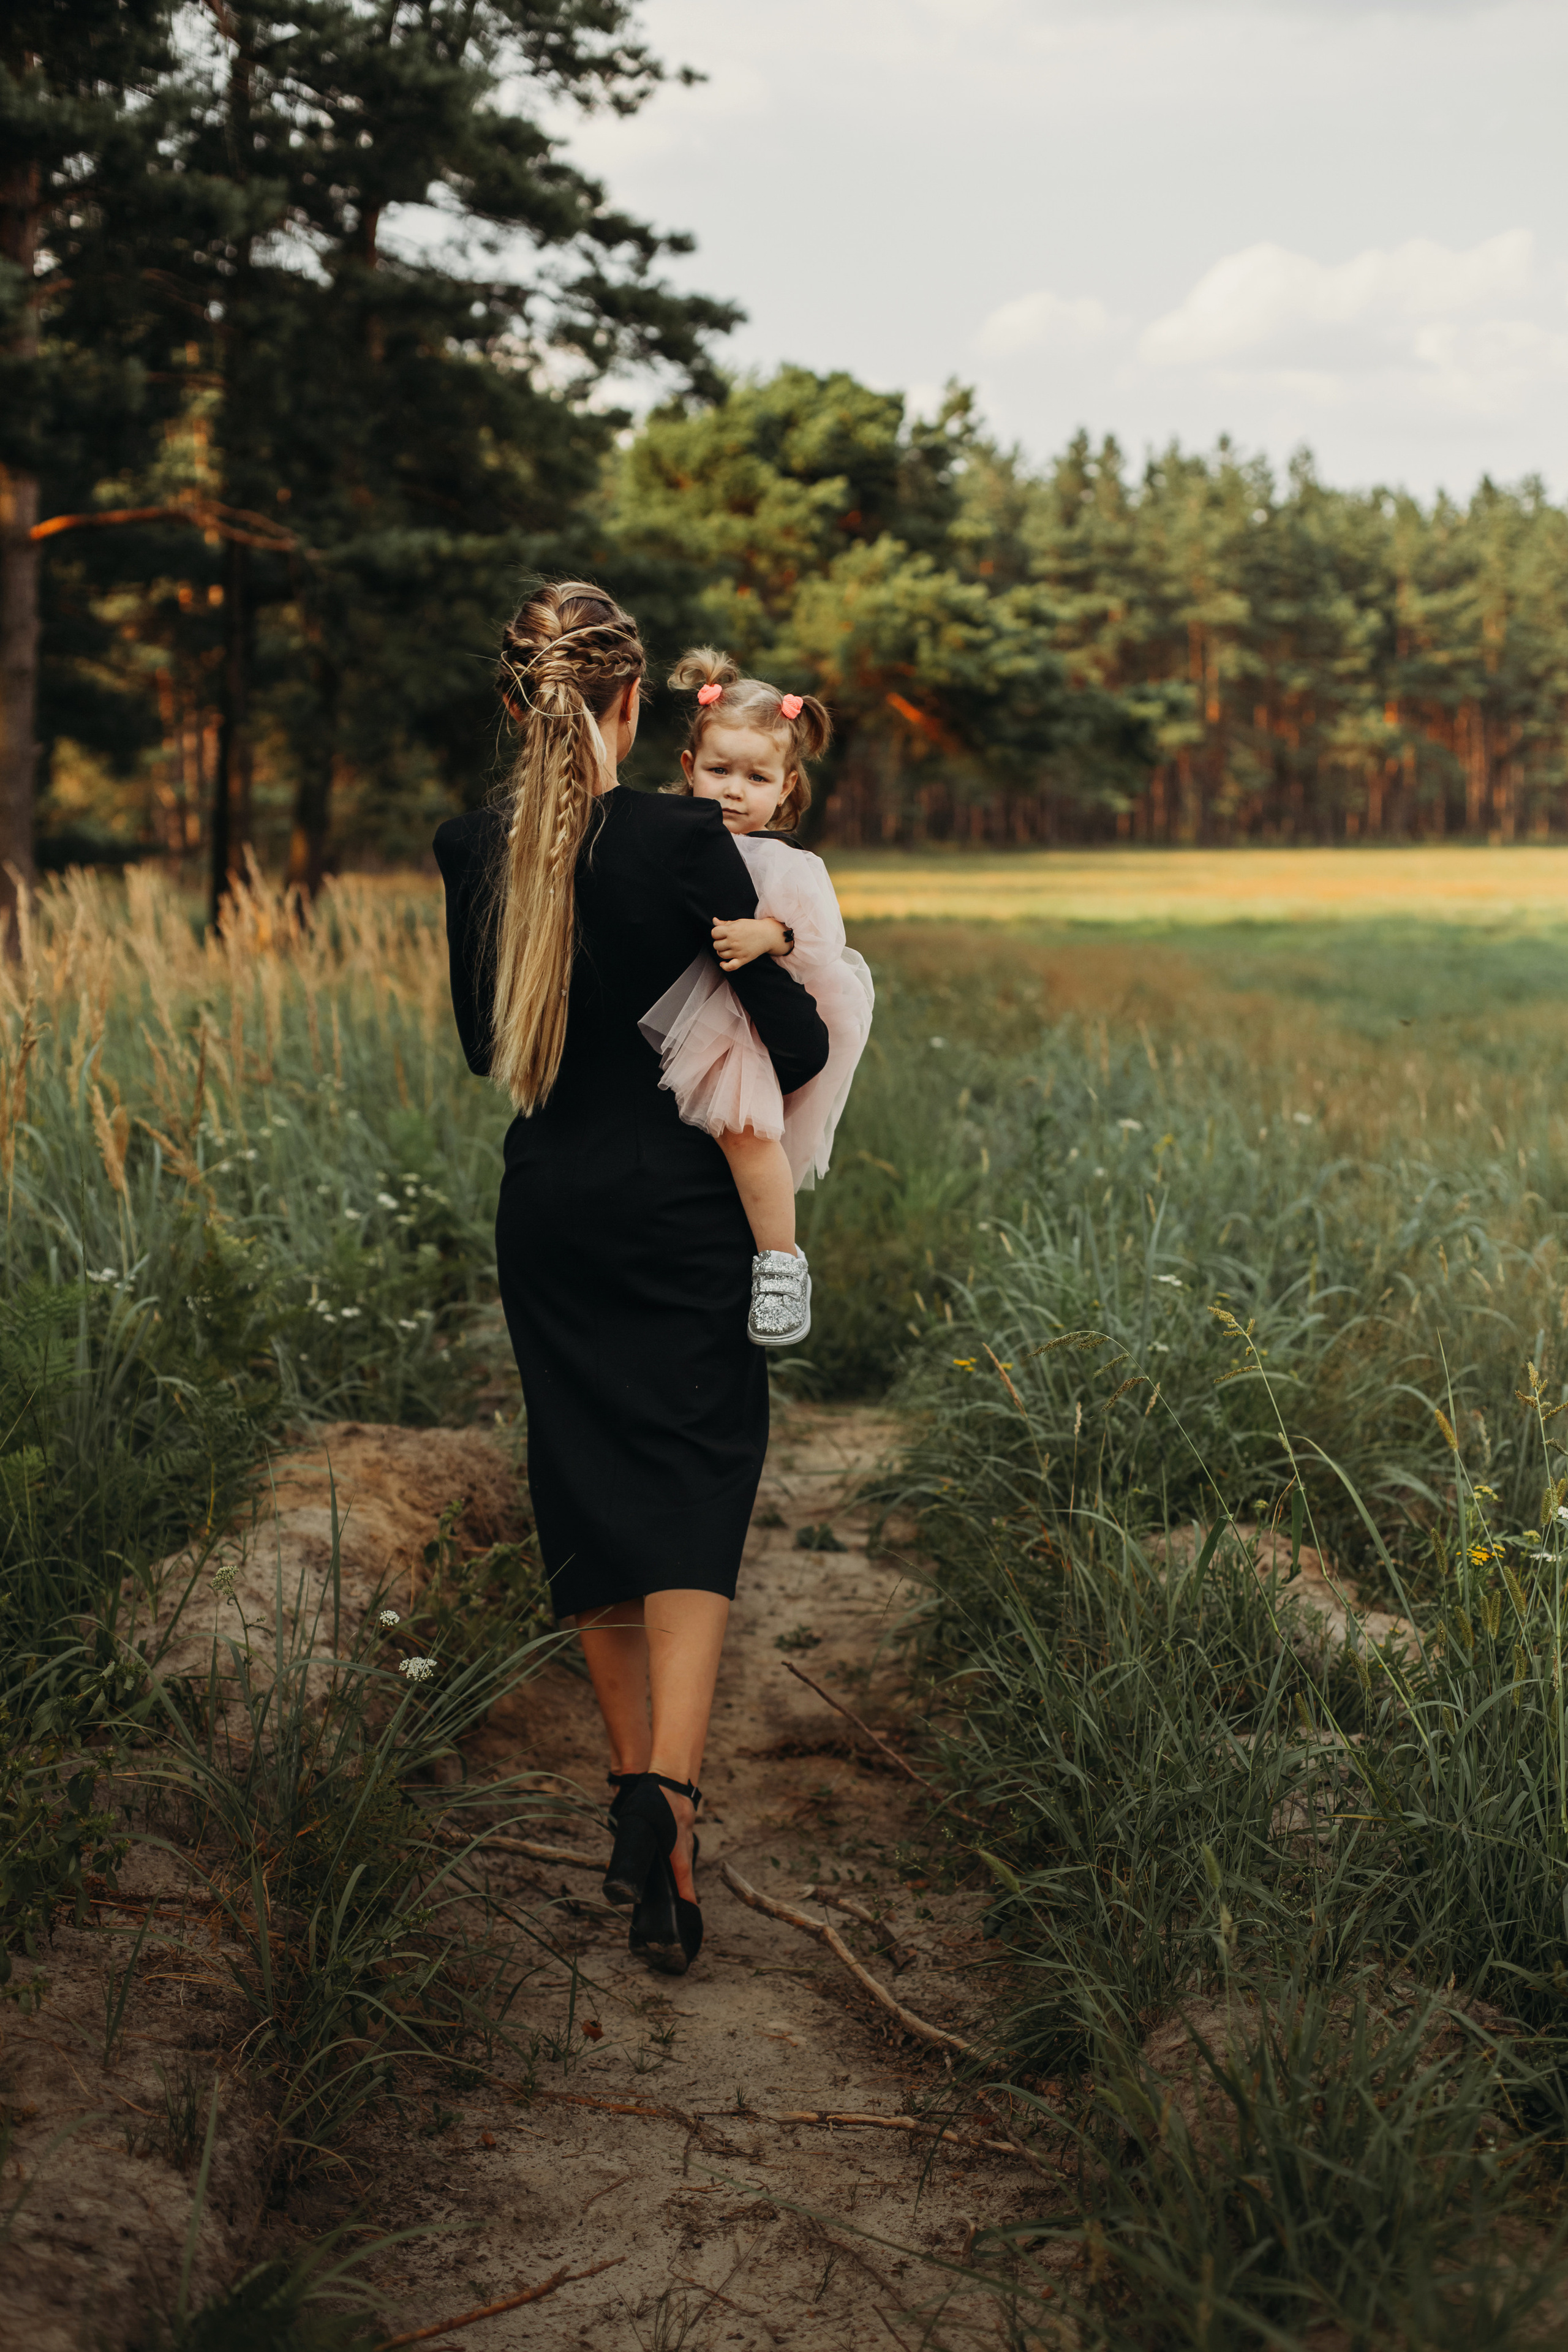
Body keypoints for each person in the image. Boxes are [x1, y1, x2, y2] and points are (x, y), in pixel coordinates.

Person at [432, 581, 831, 1977]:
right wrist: (780, 957)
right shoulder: (677, 834)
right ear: (629, 705)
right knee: (695, 1473)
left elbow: (494, 1040)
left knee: (587, 1479)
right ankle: (668, 1796)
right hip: (679, 1213)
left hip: (547, 1206)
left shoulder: (472, 843)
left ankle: (621, 1794)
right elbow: (786, 1049)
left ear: (512, 703)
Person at [638, 648, 874, 1349]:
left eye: (756, 777)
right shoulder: (665, 837)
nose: (735, 791)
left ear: (786, 785)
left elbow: (823, 941)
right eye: (719, 771)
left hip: (743, 1020)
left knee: (747, 1132)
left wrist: (771, 932)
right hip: (688, 1010)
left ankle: (780, 1261)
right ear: (689, 771)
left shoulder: (786, 862)